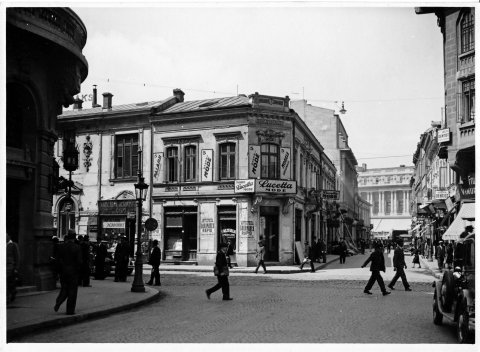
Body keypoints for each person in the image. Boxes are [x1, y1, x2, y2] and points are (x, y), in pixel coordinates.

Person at [54, 230, 83, 315]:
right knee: (72, 291)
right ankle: (70, 310)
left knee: (64, 288)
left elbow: (57, 260)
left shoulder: (61, 246)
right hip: (73, 272)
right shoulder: (77, 247)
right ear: (74, 237)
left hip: (63, 272)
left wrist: (58, 271)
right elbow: (79, 261)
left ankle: (58, 301)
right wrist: (79, 271)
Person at [6, 234, 20, 304]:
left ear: (8, 237)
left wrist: (16, 268)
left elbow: (17, 257)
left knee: (9, 282)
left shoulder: (13, 245)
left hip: (10, 266)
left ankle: (11, 294)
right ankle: (8, 297)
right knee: (8, 283)